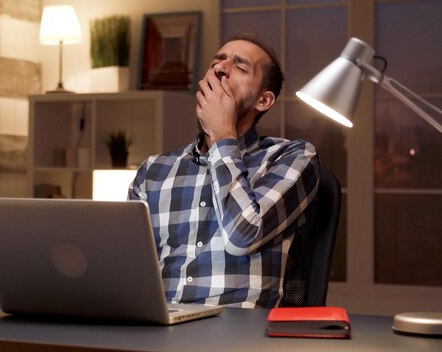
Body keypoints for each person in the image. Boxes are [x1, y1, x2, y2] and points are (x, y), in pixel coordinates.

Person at [128, 34, 320, 308]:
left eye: (240, 68)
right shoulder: (155, 170)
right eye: (216, 62)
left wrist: (222, 135)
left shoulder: (292, 157)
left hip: (240, 336)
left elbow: (242, 236)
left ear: (264, 101)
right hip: (159, 332)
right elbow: (130, 273)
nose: (220, 68)